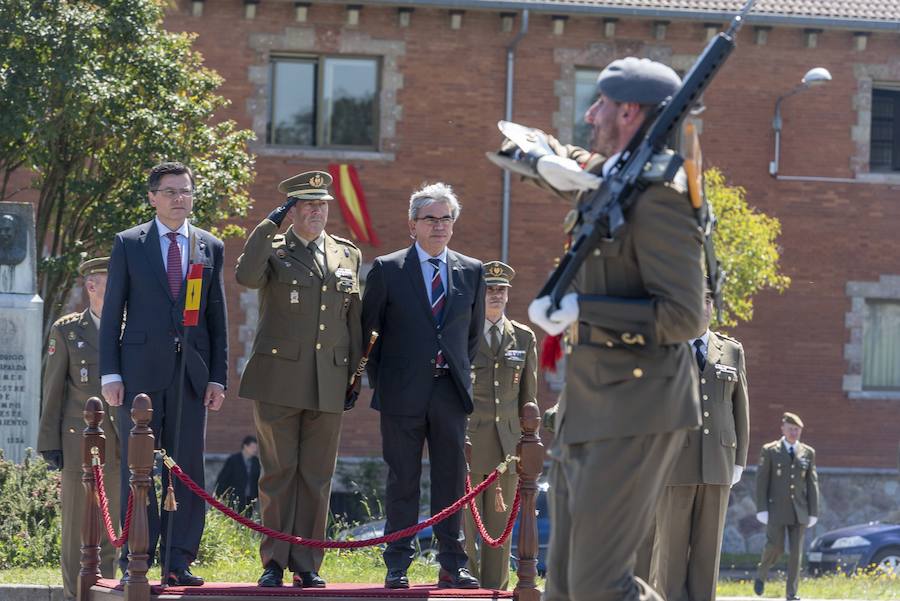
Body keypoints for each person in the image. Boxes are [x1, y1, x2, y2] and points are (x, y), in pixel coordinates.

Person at [520, 57, 705, 601]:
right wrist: (540, 155)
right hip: (590, 404)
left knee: (601, 588)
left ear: (629, 112)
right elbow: (577, 166)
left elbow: (686, 316)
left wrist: (583, 307)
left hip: (638, 405)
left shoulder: (661, 196)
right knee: (566, 590)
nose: (589, 112)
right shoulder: (614, 177)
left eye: (599, 103)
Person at [100, 161, 228, 586]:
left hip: (191, 374)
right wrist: (110, 375)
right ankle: (137, 555)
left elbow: (217, 318)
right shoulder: (129, 243)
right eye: (171, 191)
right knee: (139, 468)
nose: (180, 198)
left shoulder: (209, 245)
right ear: (153, 197)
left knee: (187, 467)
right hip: (139, 375)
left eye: (186, 191)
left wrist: (218, 377)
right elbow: (113, 311)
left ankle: (179, 559)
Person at [236, 170, 362, 588]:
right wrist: (268, 223)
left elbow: (354, 321)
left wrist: (355, 375)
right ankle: (273, 559)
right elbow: (246, 276)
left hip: (329, 379)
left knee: (317, 476)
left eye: (322, 204)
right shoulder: (272, 248)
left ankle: (307, 563)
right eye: (306, 204)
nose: (316, 211)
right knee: (278, 472)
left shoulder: (346, 254)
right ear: (291, 211)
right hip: (279, 379)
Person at [361, 182, 485, 590]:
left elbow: (471, 336)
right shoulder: (388, 269)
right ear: (412, 225)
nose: (439, 226)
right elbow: (370, 336)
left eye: (446, 218)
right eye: (430, 219)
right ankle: (398, 562)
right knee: (403, 480)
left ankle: (453, 562)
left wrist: (450, 370)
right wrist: (387, 383)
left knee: (451, 479)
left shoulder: (471, 270)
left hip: (449, 391)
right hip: (401, 392)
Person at [650, 290, 750, 601]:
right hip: (673, 464)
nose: (703, 306)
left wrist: (739, 461)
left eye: (708, 300)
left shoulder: (732, 351)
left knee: (708, 554)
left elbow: (740, 409)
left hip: (718, 463)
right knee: (671, 554)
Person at [38, 257, 121, 601]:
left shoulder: (128, 328)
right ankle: (76, 595)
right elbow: (53, 389)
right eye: (111, 281)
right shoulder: (67, 330)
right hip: (77, 444)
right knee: (76, 527)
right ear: (92, 286)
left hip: (118, 441)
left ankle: (106, 593)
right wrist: (49, 442)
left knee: (111, 526)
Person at [462, 261, 537, 590]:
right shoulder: (463, 330)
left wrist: (528, 444)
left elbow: (528, 399)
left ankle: (495, 589)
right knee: (466, 528)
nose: (495, 295)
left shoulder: (523, 336)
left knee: (499, 528)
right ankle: (464, 591)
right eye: (490, 289)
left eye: (501, 290)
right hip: (468, 441)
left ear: (508, 295)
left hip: (506, 447)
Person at [754, 412, 819, 601]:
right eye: (790, 429)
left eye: (797, 430)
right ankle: (761, 574)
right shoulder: (770, 450)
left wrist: (813, 512)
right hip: (776, 509)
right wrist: (761, 508)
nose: (793, 433)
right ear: (782, 429)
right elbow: (761, 481)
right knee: (775, 547)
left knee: (796, 554)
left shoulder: (807, 452)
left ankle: (791, 592)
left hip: (799, 511)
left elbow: (812, 483)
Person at [214, 435, 260, 513]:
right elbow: (223, 478)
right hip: (235, 497)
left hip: (250, 499)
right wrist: (219, 495)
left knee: (247, 520)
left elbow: (258, 479)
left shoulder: (256, 462)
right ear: (245, 446)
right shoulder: (233, 460)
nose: (255, 450)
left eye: (256, 447)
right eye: (253, 447)